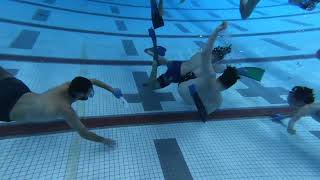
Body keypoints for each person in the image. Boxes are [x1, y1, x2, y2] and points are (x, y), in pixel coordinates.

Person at [0, 66, 123, 145]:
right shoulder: (65, 109)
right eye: (89, 92)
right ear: (80, 94)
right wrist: (104, 140)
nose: (90, 93)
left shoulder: (69, 85)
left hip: (19, 90)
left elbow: (94, 81)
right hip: (6, 108)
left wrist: (112, 90)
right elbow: (84, 133)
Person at [145, 22, 241, 116]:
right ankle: (155, 64)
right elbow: (214, 68)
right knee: (152, 86)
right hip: (176, 74)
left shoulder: (203, 58)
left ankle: (155, 54)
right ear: (218, 58)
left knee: (169, 64)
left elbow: (207, 57)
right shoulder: (210, 65)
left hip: (178, 66)